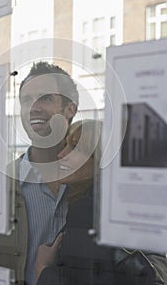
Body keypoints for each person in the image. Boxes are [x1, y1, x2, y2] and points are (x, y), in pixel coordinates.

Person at [0, 61, 79, 285]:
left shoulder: (97, 183)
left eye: (45, 98)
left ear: (70, 108)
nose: (34, 107)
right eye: (26, 100)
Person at [35, 119, 167, 285]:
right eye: (65, 145)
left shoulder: (88, 210)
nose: (61, 154)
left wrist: (43, 270)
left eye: (75, 147)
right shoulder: (114, 207)